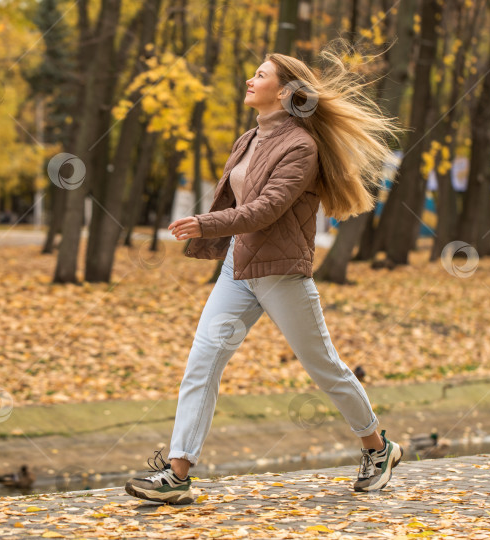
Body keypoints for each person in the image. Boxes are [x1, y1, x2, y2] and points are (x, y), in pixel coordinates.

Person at [125, 43, 406, 504]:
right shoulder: (249, 138)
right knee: (203, 362)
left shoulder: (302, 146)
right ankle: (177, 474)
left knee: (325, 367)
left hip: (281, 272)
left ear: (283, 92)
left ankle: (378, 448)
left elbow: (268, 208)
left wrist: (205, 224)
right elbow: (238, 202)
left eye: (260, 75)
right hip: (239, 268)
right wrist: (218, 236)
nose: (250, 81)